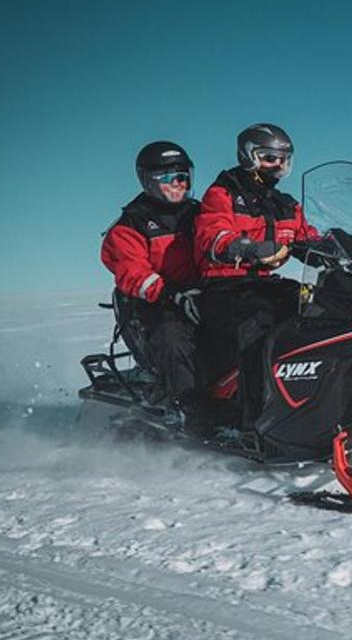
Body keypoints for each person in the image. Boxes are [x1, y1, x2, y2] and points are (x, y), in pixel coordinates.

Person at [194, 123, 319, 426]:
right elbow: (212, 234)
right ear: (248, 156)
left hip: (264, 283)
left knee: (319, 308)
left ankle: (315, 399)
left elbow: (308, 237)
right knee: (258, 324)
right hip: (224, 286)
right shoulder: (223, 193)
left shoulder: (286, 204)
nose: (276, 165)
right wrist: (245, 247)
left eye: (282, 159)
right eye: (268, 157)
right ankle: (255, 417)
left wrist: (346, 244)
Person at [101, 141, 202, 411]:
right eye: (170, 178)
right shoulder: (131, 224)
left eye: (184, 176)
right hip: (153, 307)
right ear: (149, 181)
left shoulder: (198, 214)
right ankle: (189, 410)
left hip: (200, 294)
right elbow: (132, 272)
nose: (179, 184)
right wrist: (170, 293)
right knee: (173, 339)